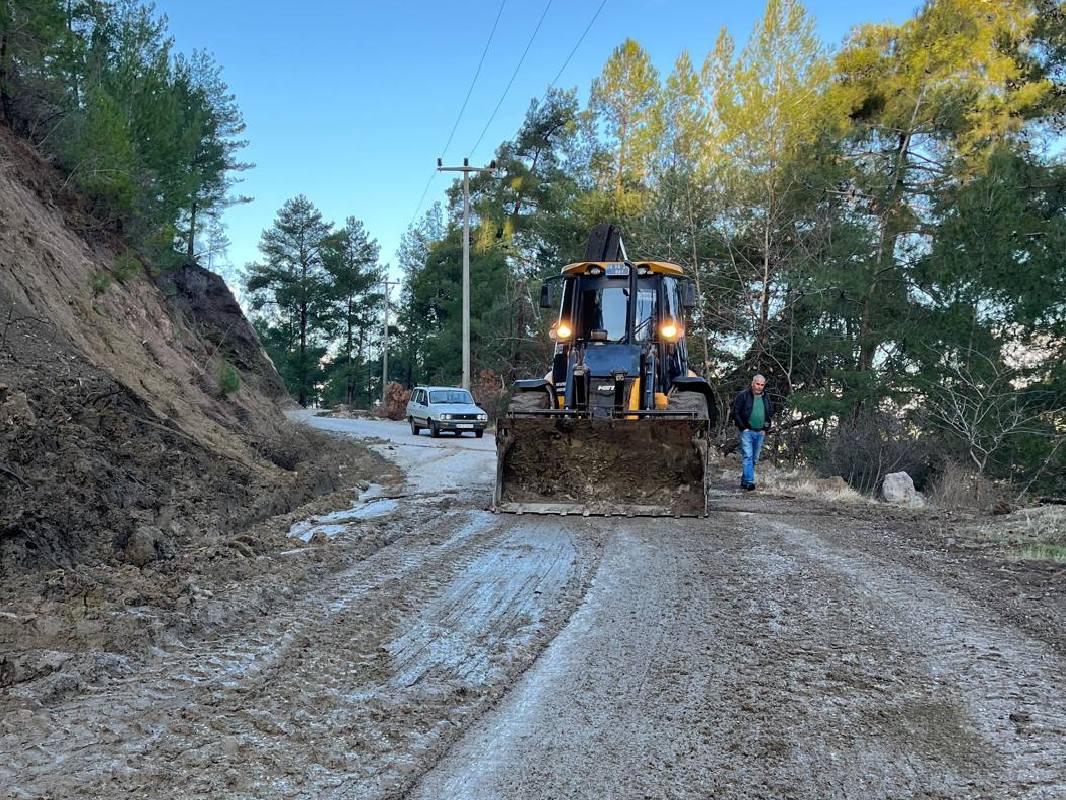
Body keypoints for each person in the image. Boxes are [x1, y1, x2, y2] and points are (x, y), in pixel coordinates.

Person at [731, 374, 775, 491]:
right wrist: (743, 427)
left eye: (762, 385)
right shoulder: (743, 395)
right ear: (752, 383)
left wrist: (765, 429)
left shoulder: (766, 397)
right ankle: (750, 482)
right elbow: (735, 411)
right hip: (747, 431)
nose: (759, 387)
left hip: (760, 432)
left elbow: (770, 412)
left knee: (754, 458)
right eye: (757, 384)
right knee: (748, 456)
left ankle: (744, 481)